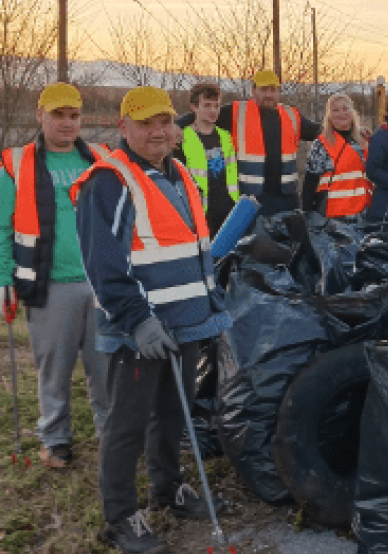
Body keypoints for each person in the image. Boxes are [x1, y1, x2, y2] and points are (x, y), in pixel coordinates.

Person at [73, 86, 231, 553]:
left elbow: (190, 248)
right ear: (124, 128)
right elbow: (103, 264)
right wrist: (138, 320)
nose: (158, 132)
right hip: (140, 331)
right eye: (145, 124)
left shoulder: (179, 173)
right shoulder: (110, 181)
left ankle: (169, 489)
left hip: (184, 324)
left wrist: (209, 304)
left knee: (172, 413)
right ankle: (119, 517)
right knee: (127, 424)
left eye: (164, 122)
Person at [0, 83, 110, 469]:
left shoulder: (101, 157)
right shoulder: (17, 162)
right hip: (50, 285)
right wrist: (4, 279)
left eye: (74, 115)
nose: (67, 123)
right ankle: (55, 439)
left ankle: (110, 435)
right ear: (39, 115)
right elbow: (1, 227)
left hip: (100, 283)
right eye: (58, 114)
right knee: (54, 367)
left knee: (105, 366)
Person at [175, 70, 320, 217]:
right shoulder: (237, 111)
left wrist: (339, 122)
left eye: (273, 89)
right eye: (263, 89)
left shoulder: (292, 115)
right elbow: (203, 113)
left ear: (279, 91)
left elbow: (319, 132)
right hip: (252, 199)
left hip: (288, 198)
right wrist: (176, 126)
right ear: (253, 90)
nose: (269, 94)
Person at [174, 83, 238, 236]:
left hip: (229, 211)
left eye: (216, 106)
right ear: (194, 107)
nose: (213, 111)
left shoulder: (226, 136)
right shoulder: (182, 138)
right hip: (200, 213)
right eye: (207, 105)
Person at [302, 92, 372, 219]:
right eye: (336, 110)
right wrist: (306, 214)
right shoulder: (321, 143)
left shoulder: (363, 140)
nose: (341, 113)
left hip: (364, 213)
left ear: (352, 112)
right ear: (329, 115)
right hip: (334, 216)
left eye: (345, 108)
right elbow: (310, 181)